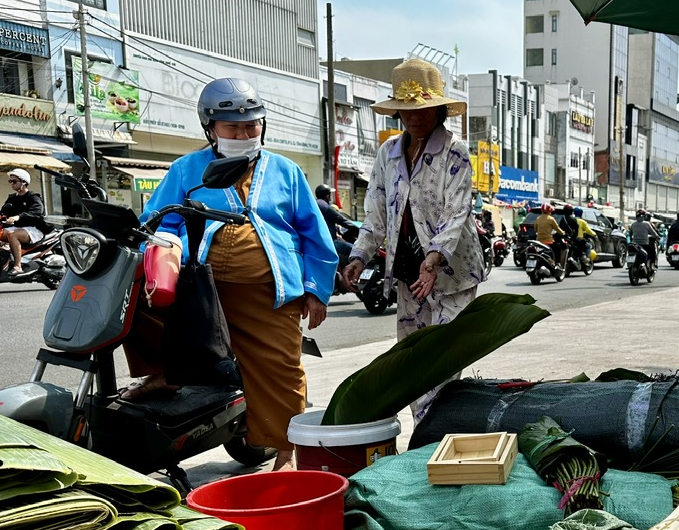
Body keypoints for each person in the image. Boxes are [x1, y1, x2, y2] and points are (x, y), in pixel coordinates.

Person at [132, 77, 336, 471]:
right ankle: (164, 375)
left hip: (270, 292)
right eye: (233, 127)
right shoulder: (186, 168)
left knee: (281, 367)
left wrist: (315, 290)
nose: (244, 134)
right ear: (210, 128)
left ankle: (285, 450)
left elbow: (314, 233)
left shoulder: (287, 171)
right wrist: (167, 246)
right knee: (138, 308)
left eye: (251, 125)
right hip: (200, 288)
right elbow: (158, 222)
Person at [342, 58, 486, 420]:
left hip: (450, 273)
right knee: (411, 358)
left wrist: (435, 257)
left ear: (439, 111)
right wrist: (359, 255)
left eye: (422, 110)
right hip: (409, 272)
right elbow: (376, 210)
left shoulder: (455, 150)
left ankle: (437, 427)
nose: (414, 117)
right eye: (406, 111)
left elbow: (458, 211)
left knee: (443, 358)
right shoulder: (387, 154)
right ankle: (424, 431)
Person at [0, 169, 50, 276]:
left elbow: (37, 212)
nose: (11, 184)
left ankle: (18, 266)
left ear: (23, 182)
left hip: (34, 229)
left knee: (12, 235)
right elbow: (2, 212)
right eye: (10, 181)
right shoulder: (12, 198)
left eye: (14, 181)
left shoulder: (33, 197)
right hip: (18, 228)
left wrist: (18, 217)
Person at [314, 184, 354, 269]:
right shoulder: (325, 207)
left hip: (316, 243)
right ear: (327, 196)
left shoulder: (314, 204)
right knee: (355, 250)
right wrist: (361, 231)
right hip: (330, 243)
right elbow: (344, 222)